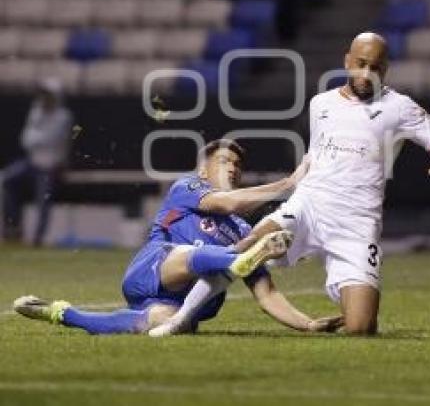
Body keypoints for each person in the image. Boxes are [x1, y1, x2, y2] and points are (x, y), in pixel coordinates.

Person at [148, 33, 430, 337]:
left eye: (375, 67)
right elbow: (318, 153)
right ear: (347, 62)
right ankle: (181, 319)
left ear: (385, 68)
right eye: (361, 64)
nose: (366, 73)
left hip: (357, 221)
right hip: (310, 203)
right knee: (242, 249)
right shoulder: (321, 103)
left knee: (360, 328)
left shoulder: (400, 107)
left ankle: (343, 287)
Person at [13, 139, 343, 336]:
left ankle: (62, 313)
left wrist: (308, 324)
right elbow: (227, 202)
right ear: (203, 171)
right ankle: (236, 259)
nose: (233, 168)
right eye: (224, 161)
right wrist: (288, 184)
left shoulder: (243, 228)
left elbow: (266, 294)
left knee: (159, 324)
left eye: (237, 165)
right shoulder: (188, 187)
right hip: (154, 270)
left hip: (181, 303)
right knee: (194, 252)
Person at [2, 78, 72, 246]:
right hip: (32, 163)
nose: (45, 99)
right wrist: (38, 137)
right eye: (43, 95)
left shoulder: (63, 116)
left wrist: (37, 137)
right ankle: (13, 229)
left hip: (50, 167)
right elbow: (25, 140)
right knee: (6, 180)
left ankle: (37, 239)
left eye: (48, 95)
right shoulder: (36, 111)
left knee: (43, 198)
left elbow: (51, 138)